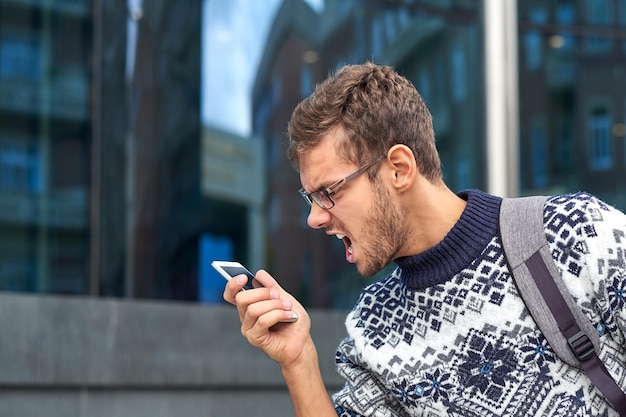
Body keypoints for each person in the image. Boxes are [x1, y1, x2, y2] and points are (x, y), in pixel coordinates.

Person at [223, 62, 626, 416]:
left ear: (399, 168)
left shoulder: (574, 232)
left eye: (329, 192)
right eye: (310, 198)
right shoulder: (372, 329)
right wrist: (298, 360)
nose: (314, 218)